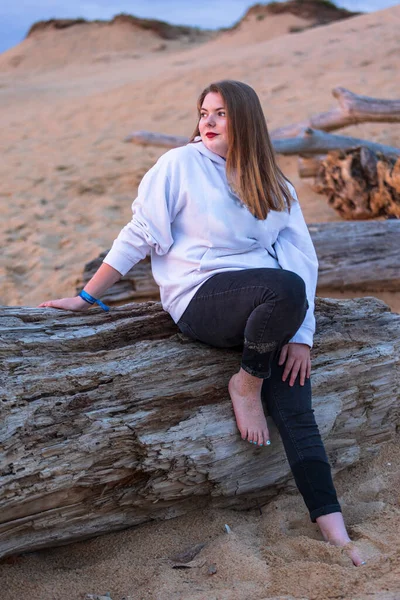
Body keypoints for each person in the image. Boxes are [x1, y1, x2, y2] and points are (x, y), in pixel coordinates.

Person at [39, 80, 365, 566]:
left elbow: (300, 259)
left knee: (298, 406)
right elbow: (141, 233)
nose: (207, 121)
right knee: (283, 290)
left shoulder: (274, 185)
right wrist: (86, 297)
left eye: (220, 113)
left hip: (270, 307)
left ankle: (336, 532)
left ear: (245, 121)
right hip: (201, 298)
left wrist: (301, 336)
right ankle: (246, 384)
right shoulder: (180, 165)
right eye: (203, 112)